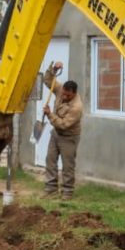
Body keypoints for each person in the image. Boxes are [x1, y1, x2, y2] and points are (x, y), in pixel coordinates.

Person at [42, 61, 83, 200]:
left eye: (68, 96)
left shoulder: (77, 107)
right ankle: (51, 188)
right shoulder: (60, 90)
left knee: (67, 165)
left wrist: (49, 114)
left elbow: (64, 125)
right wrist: (53, 69)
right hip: (56, 134)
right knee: (50, 160)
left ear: (74, 93)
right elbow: (47, 80)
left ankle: (67, 192)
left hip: (69, 137)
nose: (64, 97)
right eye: (64, 94)